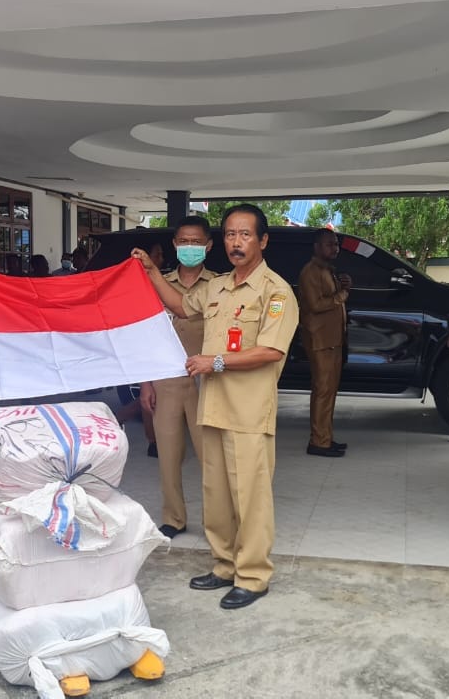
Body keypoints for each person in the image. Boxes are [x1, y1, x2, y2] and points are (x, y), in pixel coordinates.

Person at [132, 204, 299, 610]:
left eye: (245, 235)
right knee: (217, 494)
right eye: (230, 235)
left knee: (250, 497)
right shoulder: (217, 287)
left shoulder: (276, 291)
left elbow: (271, 350)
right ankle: (224, 565)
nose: (236, 242)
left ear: (262, 241)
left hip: (248, 411)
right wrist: (152, 272)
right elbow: (180, 306)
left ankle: (253, 575)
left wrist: (216, 362)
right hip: (214, 408)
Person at [138, 216, 217, 538]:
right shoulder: (157, 283)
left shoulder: (218, 285)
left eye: (196, 242)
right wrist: (146, 384)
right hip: (166, 382)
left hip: (206, 383)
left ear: (208, 246)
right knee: (168, 456)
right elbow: (146, 336)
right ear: (174, 244)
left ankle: (216, 522)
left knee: (211, 458)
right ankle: (173, 518)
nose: (189, 247)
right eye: (183, 241)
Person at [297, 228, 350, 457]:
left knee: (329, 391)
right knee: (322, 390)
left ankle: (325, 437)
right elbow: (315, 305)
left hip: (333, 338)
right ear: (317, 247)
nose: (335, 248)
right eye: (330, 244)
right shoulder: (310, 271)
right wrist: (342, 295)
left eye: (336, 244)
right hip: (320, 339)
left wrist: (343, 285)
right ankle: (318, 442)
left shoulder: (328, 270)